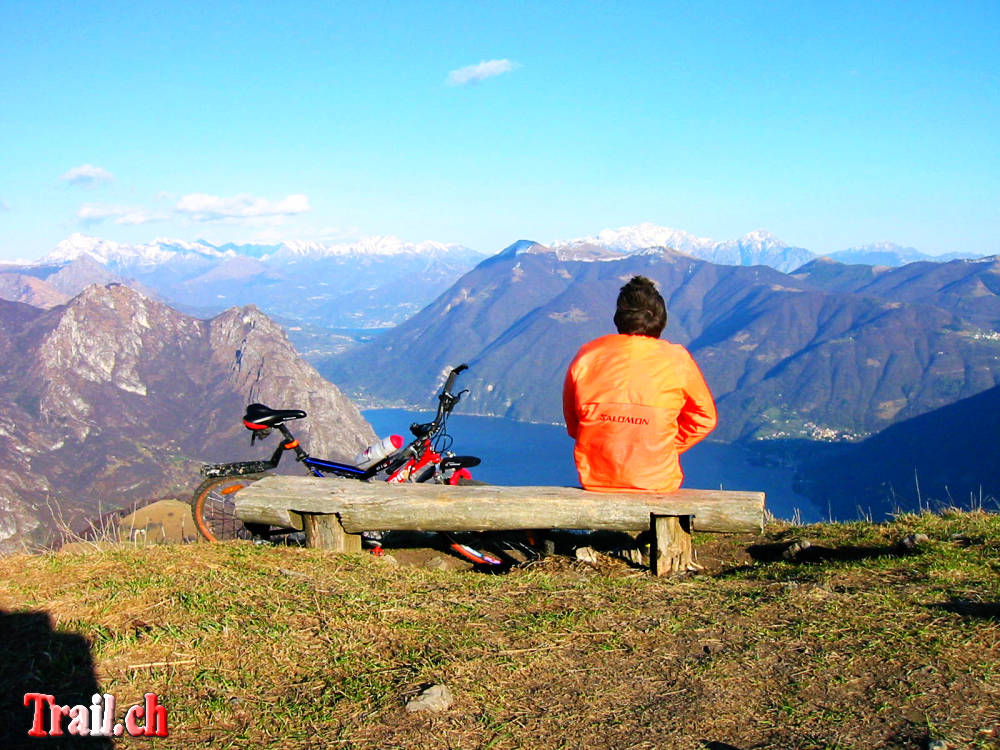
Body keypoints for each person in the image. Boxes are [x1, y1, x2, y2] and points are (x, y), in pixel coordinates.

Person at [562, 275, 717, 492]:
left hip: (596, 480)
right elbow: (704, 418)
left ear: (620, 317)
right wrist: (664, 445)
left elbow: (574, 422)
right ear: (660, 319)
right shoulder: (677, 359)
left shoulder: (588, 355)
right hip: (657, 481)